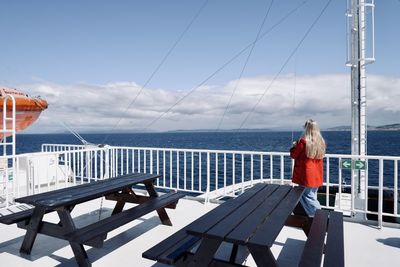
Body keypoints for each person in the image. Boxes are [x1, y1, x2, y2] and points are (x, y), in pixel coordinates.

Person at [290, 119, 326, 217]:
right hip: (317, 175)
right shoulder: (321, 142)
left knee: (308, 197)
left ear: (306, 128)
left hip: (306, 176)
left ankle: (321, 218)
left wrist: (294, 146)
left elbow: (294, 155)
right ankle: (312, 216)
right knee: (311, 196)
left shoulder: (303, 142)